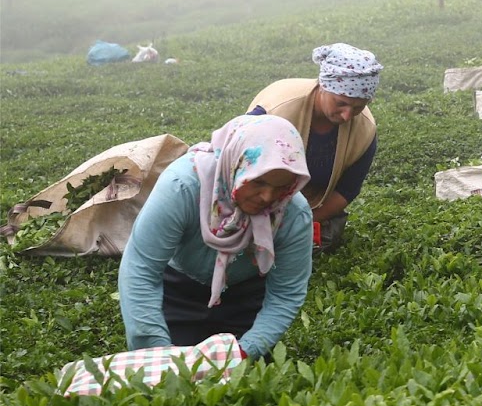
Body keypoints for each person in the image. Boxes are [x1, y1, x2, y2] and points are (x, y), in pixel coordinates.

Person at [119, 114, 312, 359]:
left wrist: (247, 351)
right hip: (178, 290)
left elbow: (286, 293)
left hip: (246, 296)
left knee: (248, 374)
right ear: (236, 166)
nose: (268, 197)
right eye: (258, 182)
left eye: (281, 187)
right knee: (172, 365)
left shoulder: (293, 212)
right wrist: (155, 353)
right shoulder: (182, 187)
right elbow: (141, 270)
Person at [249, 43, 379, 251]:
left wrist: (300, 222)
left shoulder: (365, 130)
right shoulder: (277, 110)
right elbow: (233, 159)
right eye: (341, 103)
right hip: (255, 198)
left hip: (313, 204)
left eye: (358, 107)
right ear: (323, 87)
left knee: (312, 242)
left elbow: (347, 190)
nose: (347, 115)